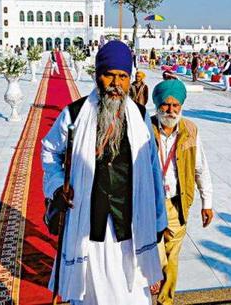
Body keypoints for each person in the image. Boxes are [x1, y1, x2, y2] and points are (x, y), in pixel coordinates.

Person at [42, 40, 167, 305]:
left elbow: (154, 171)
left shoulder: (141, 117)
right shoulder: (74, 115)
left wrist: (158, 220)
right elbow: (49, 151)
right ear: (98, 75)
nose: (116, 83)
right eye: (109, 74)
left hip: (131, 225)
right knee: (92, 295)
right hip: (88, 225)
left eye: (123, 77)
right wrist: (56, 186)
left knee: (132, 296)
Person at [150, 79, 214, 305]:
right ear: (157, 105)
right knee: (155, 255)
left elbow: (200, 168)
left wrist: (207, 202)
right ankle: (152, 287)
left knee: (172, 256)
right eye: (166, 105)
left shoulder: (190, 129)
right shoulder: (146, 130)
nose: (171, 110)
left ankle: (165, 301)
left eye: (175, 105)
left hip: (177, 203)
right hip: (151, 205)